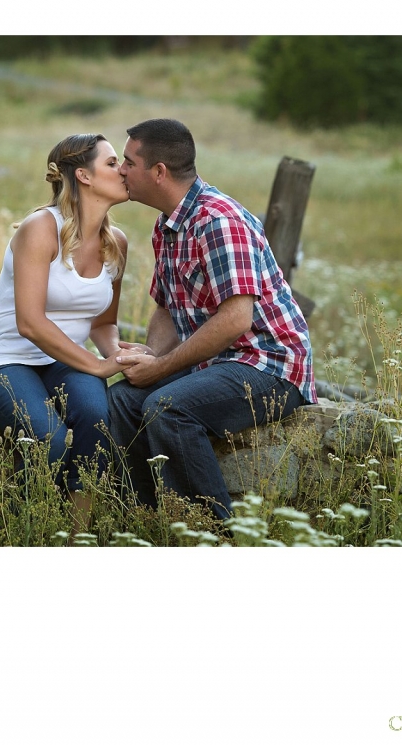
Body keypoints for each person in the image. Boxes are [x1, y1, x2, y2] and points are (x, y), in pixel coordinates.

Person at [108, 118, 318, 521]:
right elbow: (167, 308)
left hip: (268, 365)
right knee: (122, 399)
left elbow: (236, 320)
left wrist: (161, 369)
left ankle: (213, 535)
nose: (121, 170)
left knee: (167, 406)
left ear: (158, 172)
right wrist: (152, 355)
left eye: (129, 163)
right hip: (216, 365)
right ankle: (147, 521)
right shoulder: (166, 226)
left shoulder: (218, 222)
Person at [0, 133, 135, 530]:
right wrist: (97, 366)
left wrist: (120, 356)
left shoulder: (117, 242)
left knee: (97, 419)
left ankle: (75, 535)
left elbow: (103, 323)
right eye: (112, 163)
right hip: (5, 358)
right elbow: (30, 322)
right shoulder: (41, 228)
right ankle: (31, 528)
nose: (124, 170)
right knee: (50, 441)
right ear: (84, 175)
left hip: (63, 360)